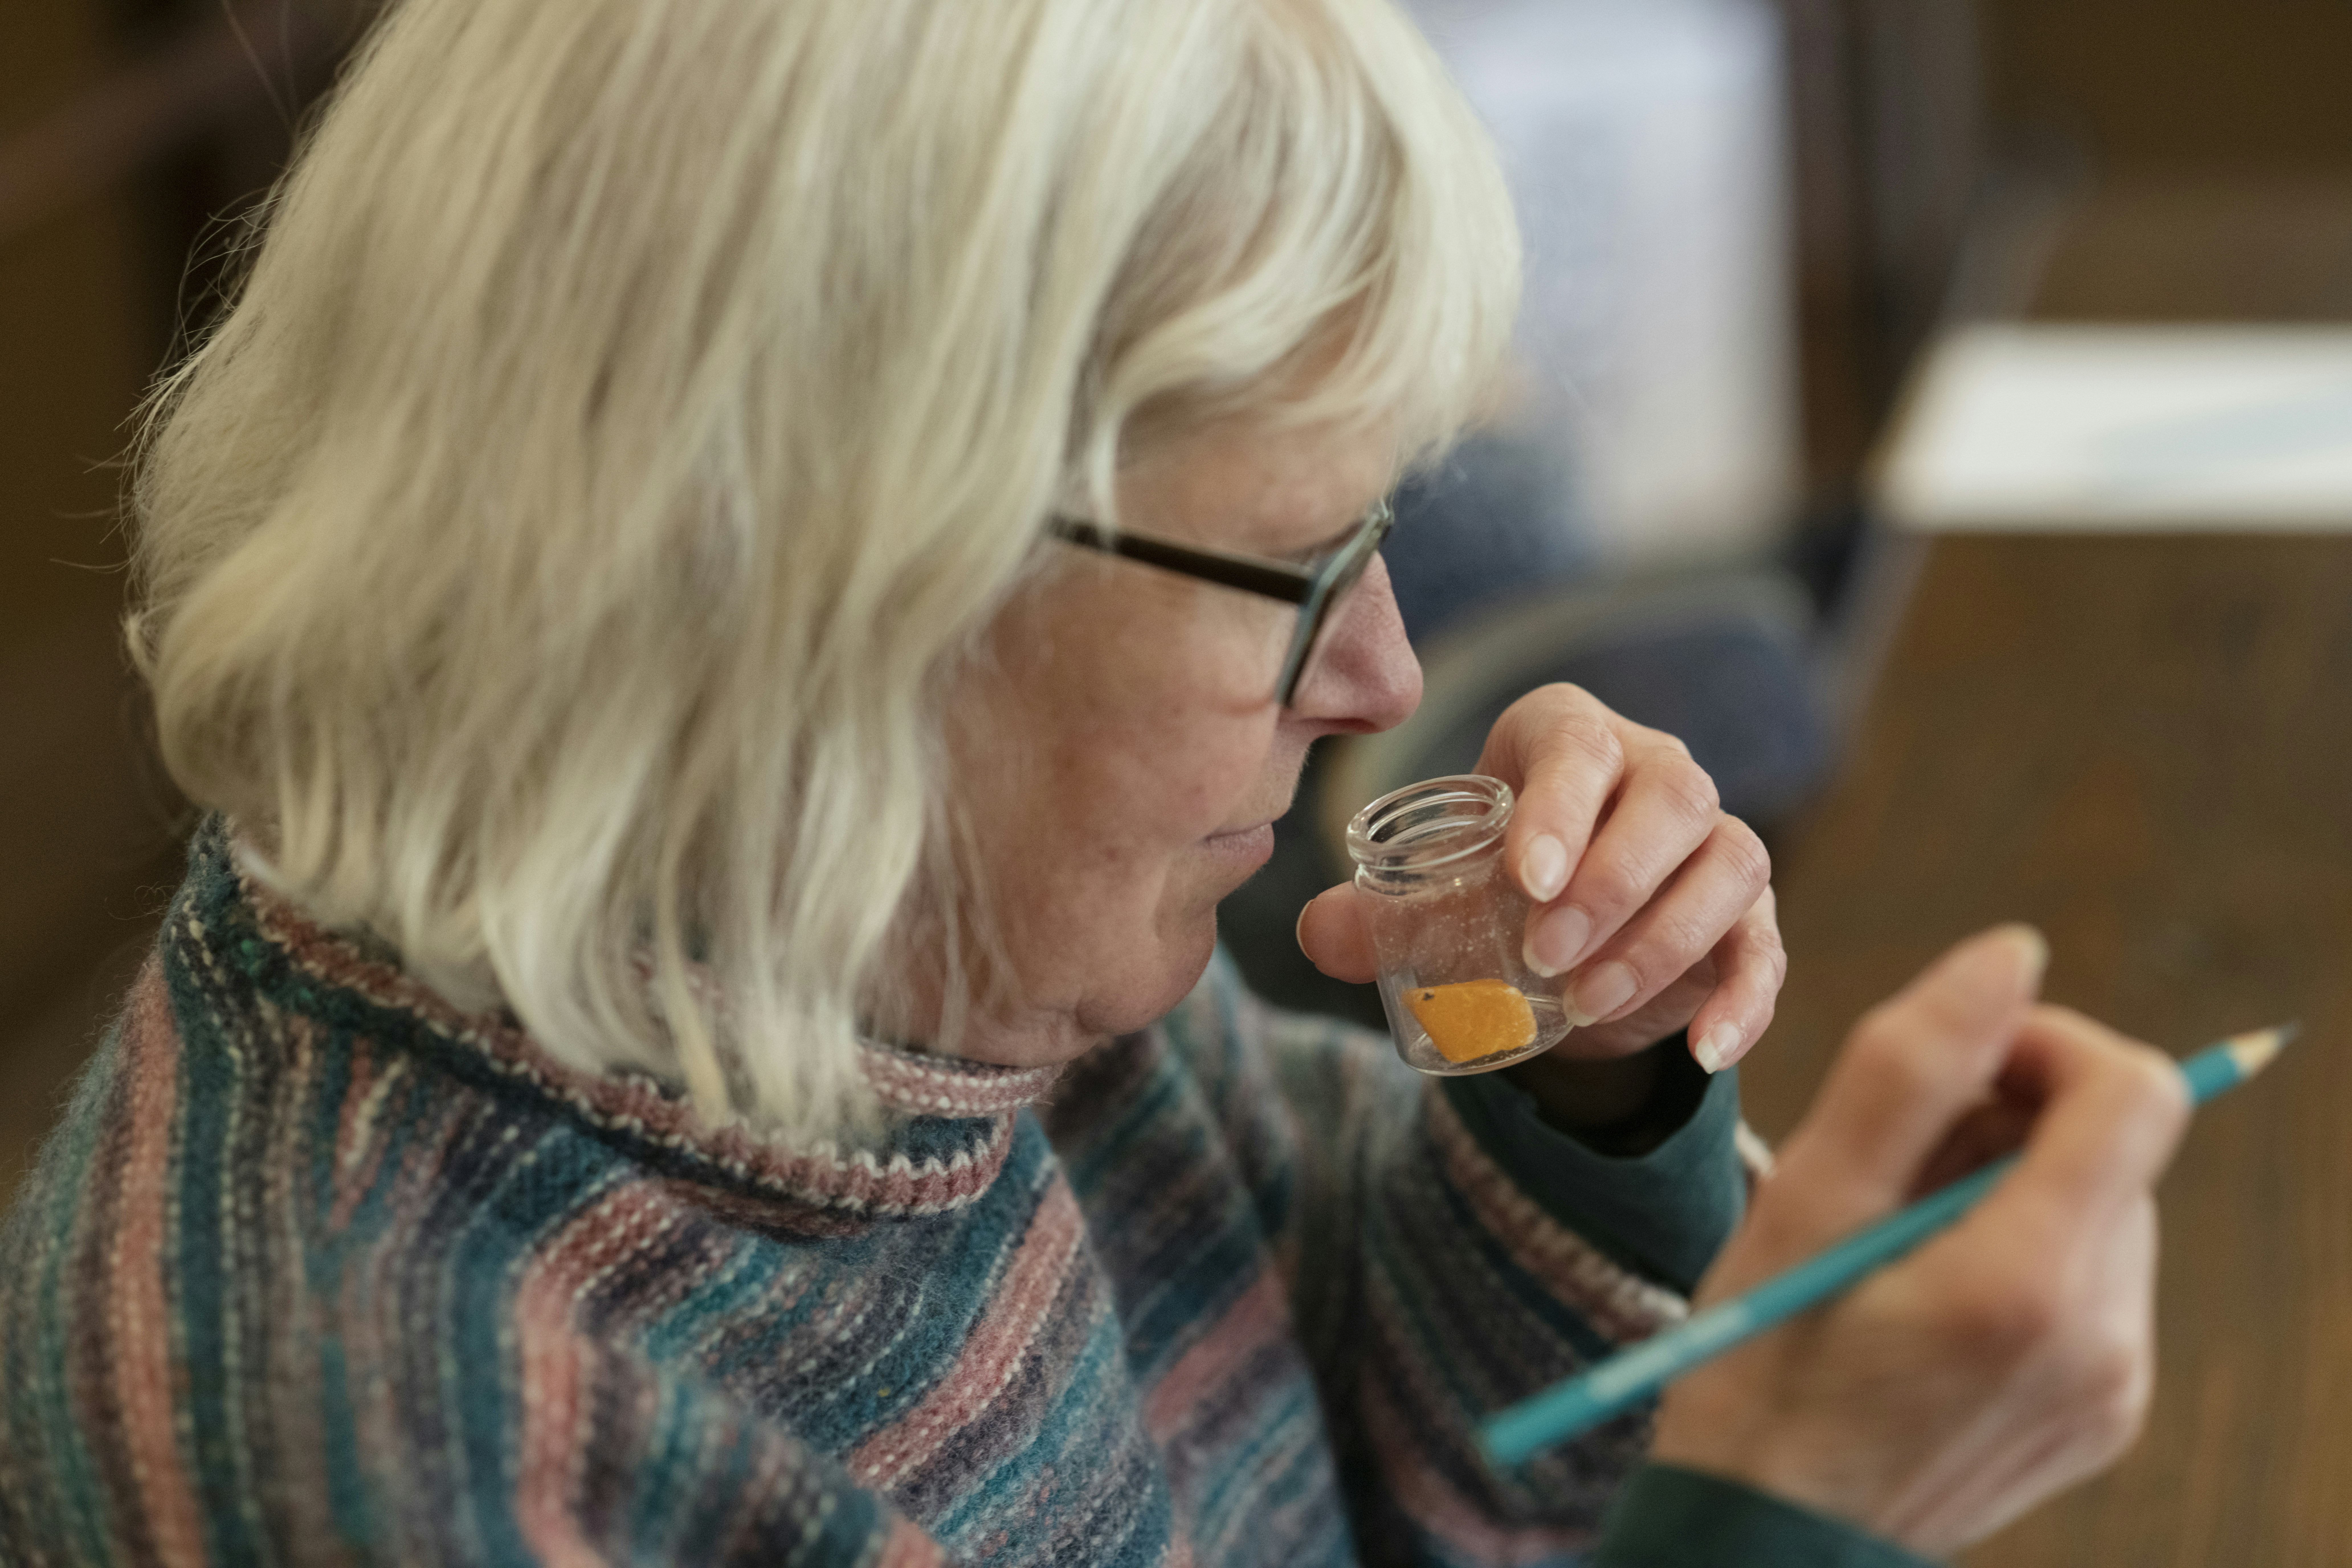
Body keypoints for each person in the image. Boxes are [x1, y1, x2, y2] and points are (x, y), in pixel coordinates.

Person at [0, 0, 2189, 1563]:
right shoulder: (368, 1439)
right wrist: (1793, 1518)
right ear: (843, 567)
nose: (1385, 669)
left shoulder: (888, 926)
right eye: (1303, 562)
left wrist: (1597, 1091)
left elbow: (1383, 1417)